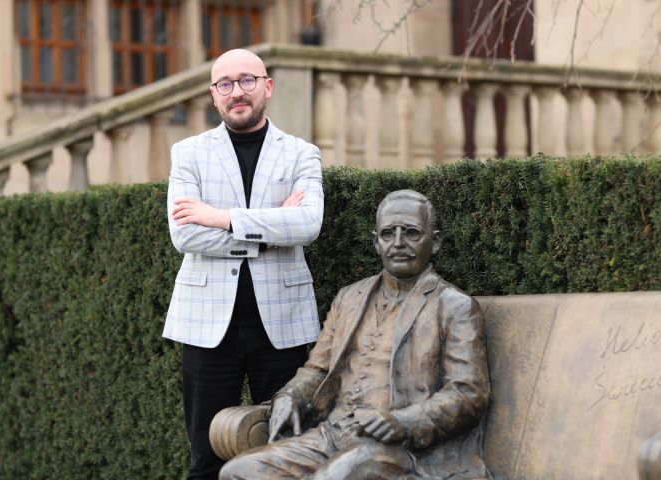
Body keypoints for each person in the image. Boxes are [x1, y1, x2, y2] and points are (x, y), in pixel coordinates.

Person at [219, 190, 491, 480]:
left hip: (403, 448)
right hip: (331, 435)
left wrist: (406, 421)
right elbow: (317, 370)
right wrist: (290, 395)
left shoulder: (454, 306)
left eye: (411, 233)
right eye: (388, 234)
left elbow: (468, 392)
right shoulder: (349, 297)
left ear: (434, 242)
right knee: (238, 472)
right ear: (376, 242)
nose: (398, 243)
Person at [163, 48, 324, 480]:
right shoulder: (188, 153)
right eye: (225, 84)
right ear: (214, 96)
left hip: (283, 323)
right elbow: (186, 235)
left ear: (267, 87)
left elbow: (307, 224)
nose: (237, 91)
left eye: (247, 80)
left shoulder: (301, 154)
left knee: (289, 451)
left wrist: (222, 217)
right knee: (207, 455)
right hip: (207, 326)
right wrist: (270, 235)